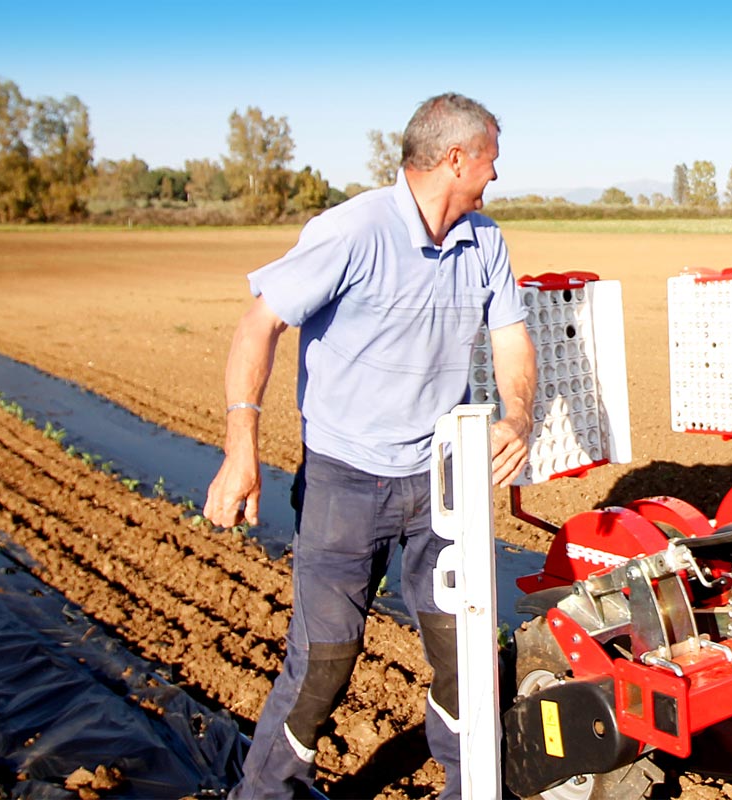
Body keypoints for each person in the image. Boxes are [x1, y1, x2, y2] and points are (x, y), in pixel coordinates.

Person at [203, 92, 536, 799]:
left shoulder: (487, 243)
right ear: (455, 159)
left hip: (437, 485)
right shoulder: (353, 231)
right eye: (490, 162)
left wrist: (519, 416)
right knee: (326, 656)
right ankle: (265, 795)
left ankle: (471, 786)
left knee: (465, 650)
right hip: (343, 483)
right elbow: (257, 326)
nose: (495, 177)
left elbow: (511, 338)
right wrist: (241, 449)